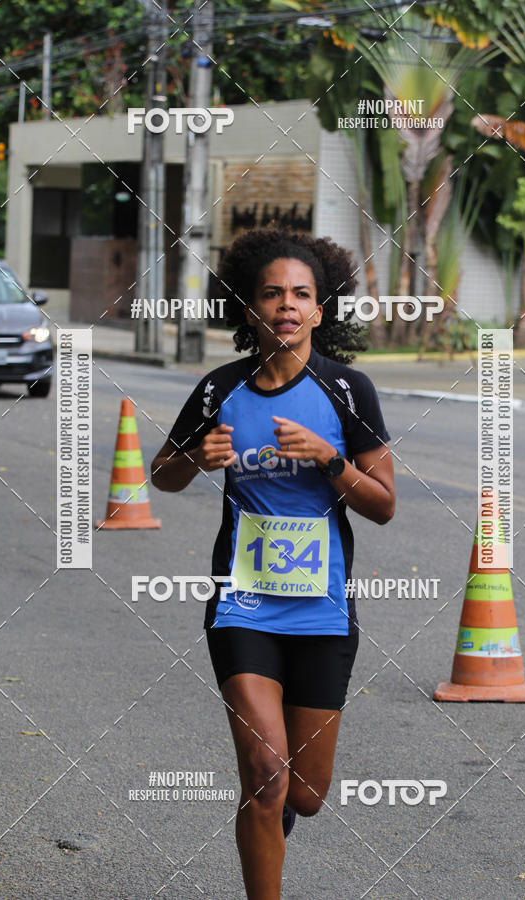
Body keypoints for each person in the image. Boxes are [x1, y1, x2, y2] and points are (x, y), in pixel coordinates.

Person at [151, 225, 395, 899]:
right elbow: (161, 473)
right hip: (243, 605)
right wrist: (199, 458)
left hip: (322, 609)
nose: (286, 305)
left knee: (306, 794)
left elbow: (383, 504)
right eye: (271, 294)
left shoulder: (348, 393)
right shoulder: (218, 390)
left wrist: (329, 460)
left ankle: (282, 803)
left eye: (301, 294)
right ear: (250, 309)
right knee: (264, 769)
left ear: (321, 308)